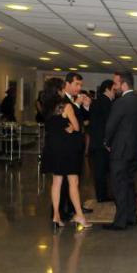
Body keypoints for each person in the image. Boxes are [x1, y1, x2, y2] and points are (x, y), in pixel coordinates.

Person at [40, 77, 92, 230]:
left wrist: (69, 126)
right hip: (67, 149)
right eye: (63, 88)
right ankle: (79, 216)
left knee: (56, 182)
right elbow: (77, 127)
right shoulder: (66, 106)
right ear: (59, 90)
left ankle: (56, 216)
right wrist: (71, 127)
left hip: (52, 148)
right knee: (73, 183)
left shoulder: (46, 107)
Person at [103, 72, 137, 231]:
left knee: (119, 186)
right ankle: (131, 217)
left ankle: (120, 221)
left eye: (116, 83)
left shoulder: (121, 102)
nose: (114, 87)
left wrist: (107, 142)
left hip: (120, 150)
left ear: (124, 84)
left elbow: (111, 125)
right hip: (134, 150)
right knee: (129, 185)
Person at [58, 72, 92, 221]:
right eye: (76, 84)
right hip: (66, 146)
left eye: (80, 85)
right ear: (67, 84)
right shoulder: (62, 100)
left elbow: (84, 120)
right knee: (65, 182)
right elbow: (69, 122)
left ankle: (74, 206)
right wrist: (77, 105)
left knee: (75, 179)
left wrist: (86, 106)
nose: (79, 88)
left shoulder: (73, 100)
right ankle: (62, 211)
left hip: (76, 145)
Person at [88, 79, 117, 203]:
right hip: (103, 143)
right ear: (107, 89)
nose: (115, 92)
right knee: (103, 171)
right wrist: (109, 142)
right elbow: (109, 124)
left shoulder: (96, 101)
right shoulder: (106, 102)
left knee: (100, 171)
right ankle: (103, 196)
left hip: (96, 142)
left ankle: (102, 195)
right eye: (114, 90)